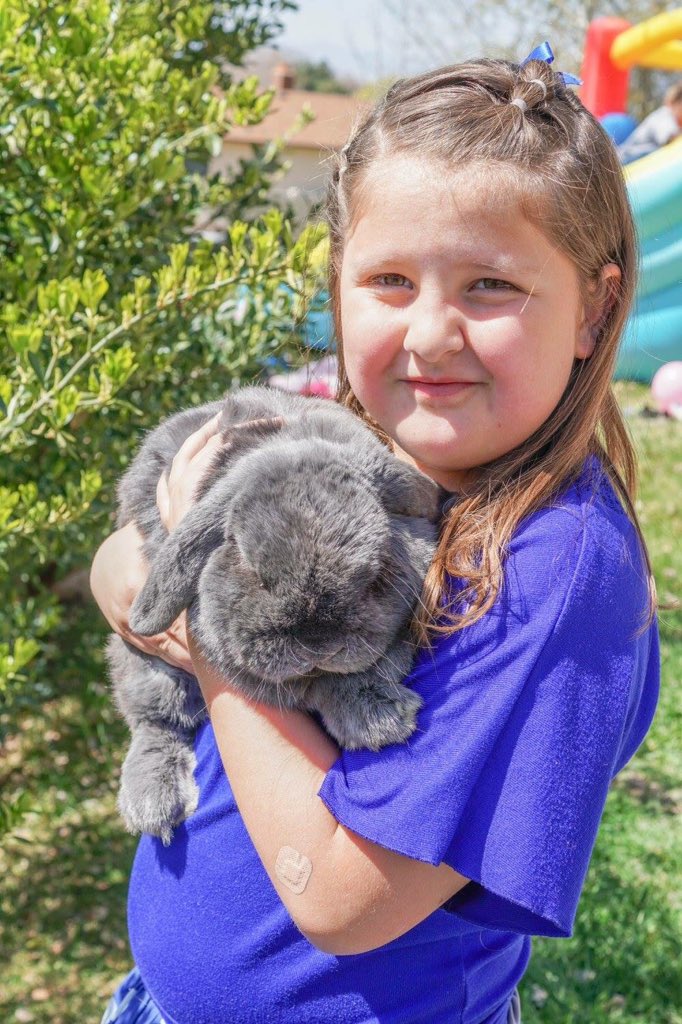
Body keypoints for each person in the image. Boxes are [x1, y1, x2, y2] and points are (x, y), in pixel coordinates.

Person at [91, 46, 660, 1024]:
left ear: (594, 309)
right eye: (389, 279)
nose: (431, 333)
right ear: (338, 283)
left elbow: (341, 898)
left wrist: (215, 639)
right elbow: (124, 562)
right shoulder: (334, 443)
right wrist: (159, 573)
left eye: (490, 286)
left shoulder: (549, 567)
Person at [617, 81, 682, 164]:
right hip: (628, 158)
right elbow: (669, 138)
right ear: (675, 103)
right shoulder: (664, 115)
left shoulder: (676, 122)